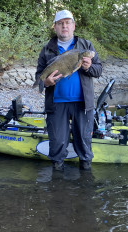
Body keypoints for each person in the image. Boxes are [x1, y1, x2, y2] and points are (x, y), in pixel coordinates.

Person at [35, 10, 103, 170]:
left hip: (83, 104)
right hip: (56, 104)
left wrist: (88, 67)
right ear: (55, 27)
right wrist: (46, 82)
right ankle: (57, 180)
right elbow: (39, 74)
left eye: (67, 23)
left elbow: (98, 70)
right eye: (60, 23)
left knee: (84, 144)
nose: (64, 26)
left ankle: (85, 181)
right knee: (57, 145)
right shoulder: (47, 49)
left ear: (73, 26)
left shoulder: (86, 46)